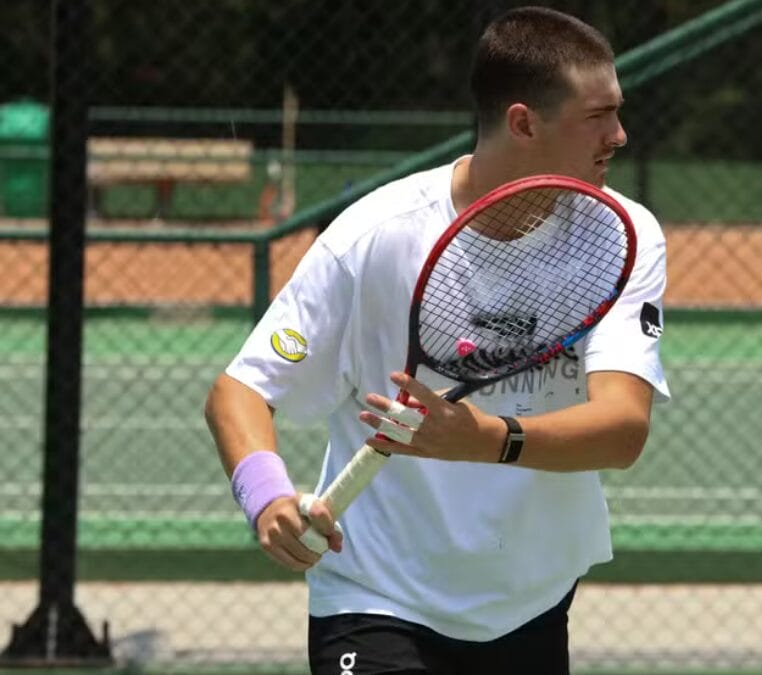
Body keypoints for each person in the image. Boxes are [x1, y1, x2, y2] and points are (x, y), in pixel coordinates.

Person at [204, 6, 669, 674]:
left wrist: (483, 436)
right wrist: (269, 499)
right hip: (375, 597)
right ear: (523, 123)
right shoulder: (376, 236)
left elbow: (622, 428)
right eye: (599, 116)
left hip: (530, 599)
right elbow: (240, 391)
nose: (620, 135)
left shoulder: (621, 234)